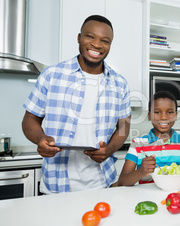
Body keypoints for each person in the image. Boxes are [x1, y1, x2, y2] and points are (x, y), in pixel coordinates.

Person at [22, 15, 131, 194]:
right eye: (90, 37)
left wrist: (109, 150)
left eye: (105, 40)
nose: (97, 44)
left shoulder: (120, 83)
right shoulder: (52, 75)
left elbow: (124, 126)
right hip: (55, 185)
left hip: (103, 183)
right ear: (79, 38)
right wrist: (40, 139)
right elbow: (30, 119)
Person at [118, 91, 180, 186]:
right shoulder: (138, 144)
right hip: (148, 198)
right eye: (157, 112)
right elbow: (122, 182)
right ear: (149, 116)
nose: (164, 117)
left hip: (178, 195)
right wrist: (140, 172)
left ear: (176, 115)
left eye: (169, 112)